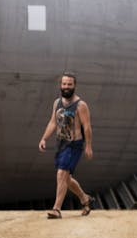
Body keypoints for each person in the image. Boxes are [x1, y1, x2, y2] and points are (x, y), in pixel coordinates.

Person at [37, 72, 94, 218]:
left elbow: (87, 127)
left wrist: (88, 146)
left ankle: (56, 209)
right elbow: (53, 122)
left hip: (74, 144)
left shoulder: (81, 105)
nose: (66, 87)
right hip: (61, 143)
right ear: (60, 85)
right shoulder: (57, 103)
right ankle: (85, 198)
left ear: (74, 86)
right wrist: (44, 138)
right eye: (64, 84)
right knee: (66, 179)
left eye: (69, 84)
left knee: (61, 173)